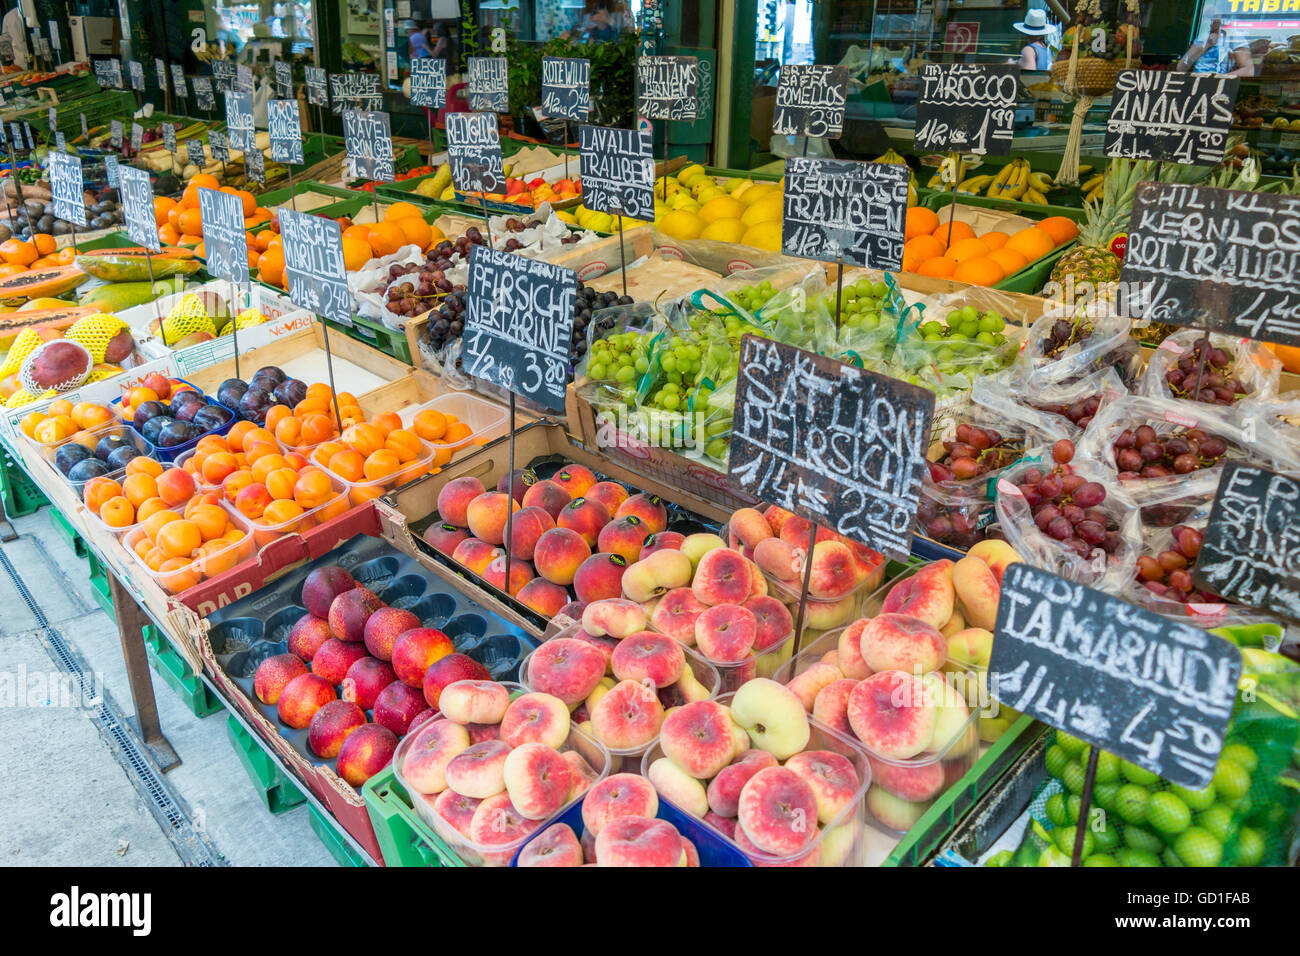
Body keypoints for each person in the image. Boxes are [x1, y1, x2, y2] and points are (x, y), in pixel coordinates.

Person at [1176, 19, 1255, 76]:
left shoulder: (1234, 37)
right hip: (1197, 82)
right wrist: (1206, 45)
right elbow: (1181, 68)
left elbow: (1249, 70)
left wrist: (1221, 79)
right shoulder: (1204, 36)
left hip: (1220, 86)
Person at [1, 1, 29, 71]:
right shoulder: (9, 17)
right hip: (19, 66)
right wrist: (9, 66)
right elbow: (5, 43)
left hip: (40, 62)